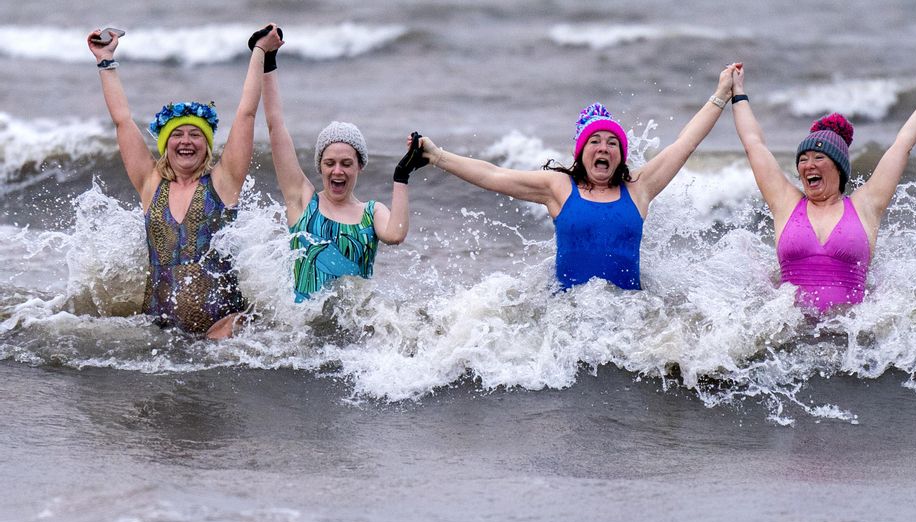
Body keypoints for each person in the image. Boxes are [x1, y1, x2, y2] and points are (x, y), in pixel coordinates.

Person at [408, 65, 737, 291]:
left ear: (621, 154)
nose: (603, 147)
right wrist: (436, 156)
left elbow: (685, 143)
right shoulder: (558, 188)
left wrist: (721, 94)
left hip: (629, 317)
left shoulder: (639, 188)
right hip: (569, 319)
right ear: (580, 154)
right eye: (594, 142)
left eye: (612, 143)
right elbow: (494, 174)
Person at [87, 24, 284, 338]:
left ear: (207, 144)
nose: (186, 141)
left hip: (221, 328)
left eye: (196, 134)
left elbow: (246, 114)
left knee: (230, 333)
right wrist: (105, 61)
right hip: (161, 329)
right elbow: (122, 119)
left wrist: (259, 51)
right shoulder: (150, 184)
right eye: (177, 134)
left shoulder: (222, 183)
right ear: (165, 144)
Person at [729, 63, 916, 314]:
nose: (808, 165)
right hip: (790, 338)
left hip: (850, 340)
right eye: (803, 159)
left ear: (839, 167)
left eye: (818, 158)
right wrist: (738, 92)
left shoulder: (865, 206)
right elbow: (754, 144)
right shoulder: (786, 204)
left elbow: (902, 145)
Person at [262, 41, 421, 303]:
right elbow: (275, 125)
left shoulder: (372, 213)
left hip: (354, 337)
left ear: (360, 166)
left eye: (346, 164)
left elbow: (395, 234)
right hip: (301, 331)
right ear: (320, 166)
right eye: (330, 163)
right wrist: (268, 60)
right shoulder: (302, 201)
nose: (338, 171)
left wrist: (402, 175)